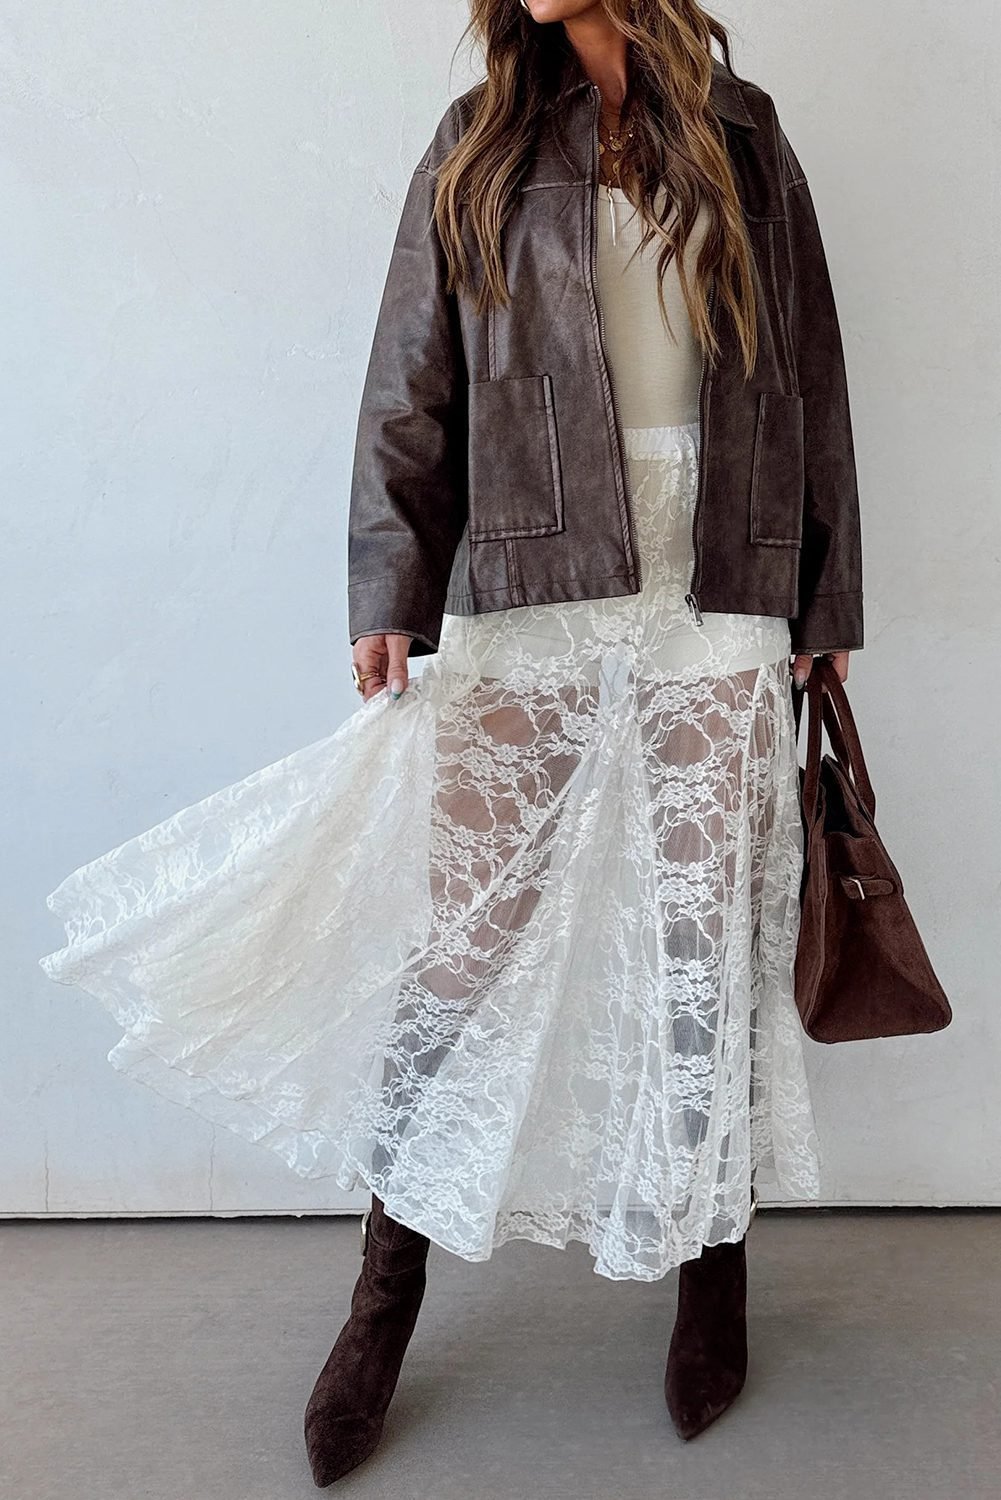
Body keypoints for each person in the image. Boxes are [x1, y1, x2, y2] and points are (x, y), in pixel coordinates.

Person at [40, 0, 863, 1488]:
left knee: (704, 937)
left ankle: (709, 1271)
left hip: (722, 575)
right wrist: (390, 591)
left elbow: (811, 371)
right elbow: (408, 384)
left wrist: (825, 593)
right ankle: (383, 1298)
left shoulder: (746, 136)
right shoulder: (478, 141)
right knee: (463, 947)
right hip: (533, 568)